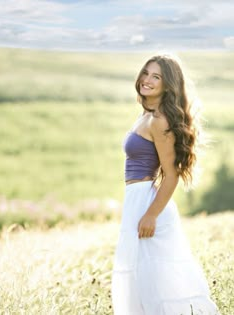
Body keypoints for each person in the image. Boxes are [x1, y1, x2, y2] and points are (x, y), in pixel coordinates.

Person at [111, 54, 221, 315]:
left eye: (156, 77)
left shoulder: (159, 121)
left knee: (159, 280)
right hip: (136, 199)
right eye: (146, 73)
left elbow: (171, 175)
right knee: (139, 275)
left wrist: (151, 214)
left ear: (167, 85)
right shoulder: (146, 116)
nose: (147, 80)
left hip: (149, 204)